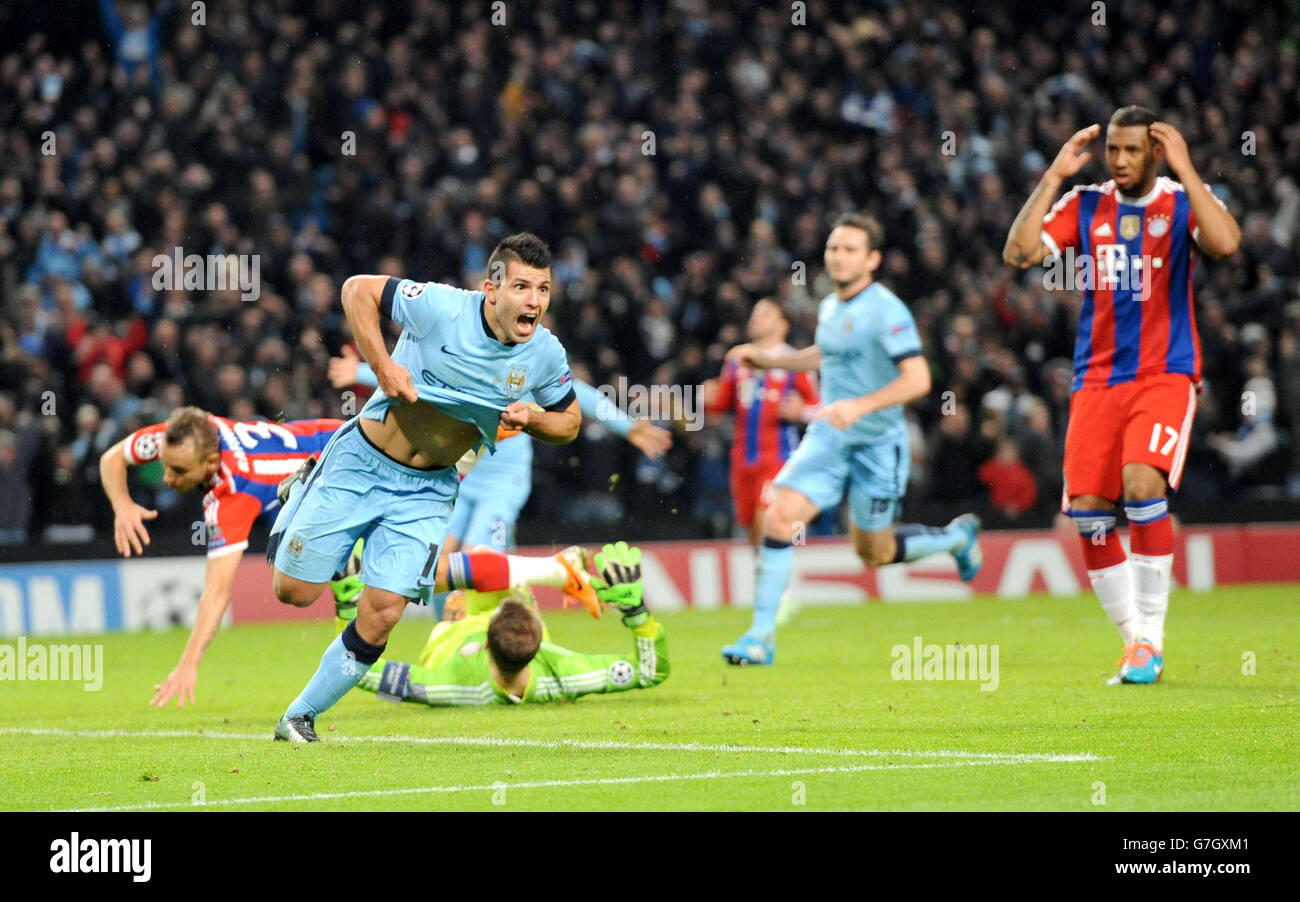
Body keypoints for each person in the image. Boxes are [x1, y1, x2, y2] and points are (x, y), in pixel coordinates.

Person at [270, 233, 585, 741]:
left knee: (383, 613)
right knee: (294, 592)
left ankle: (299, 716)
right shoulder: (439, 306)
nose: (534, 301)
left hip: (429, 489)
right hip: (362, 463)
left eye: (543, 289)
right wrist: (383, 366)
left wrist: (534, 418)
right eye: (522, 287)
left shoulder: (544, 353)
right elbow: (356, 290)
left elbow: (569, 423)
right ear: (491, 289)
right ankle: (297, 494)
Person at [1002, 105, 1241, 684]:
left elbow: (1227, 244)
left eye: (1133, 149)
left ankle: (1151, 638)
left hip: (1165, 373)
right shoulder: (1086, 205)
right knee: (1087, 513)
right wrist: (1054, 175)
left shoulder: (1183, 200)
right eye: (1114, 149)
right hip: (1096, 381)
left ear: (1156, 152)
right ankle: (1138, 645)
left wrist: (1186, 168)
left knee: (1141, 484)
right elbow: (1019, 253)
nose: (1121, 160)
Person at [719, 214, 982, 666]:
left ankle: (956, 539)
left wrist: (860, 406)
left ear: (873, 259)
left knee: (873, 554)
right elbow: (829, 353)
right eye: (834, 249)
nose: (838, 257)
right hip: (829, 438)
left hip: (878, 444)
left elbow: (918, 379)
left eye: (850, 250)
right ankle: (760, 637)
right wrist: (770, 362)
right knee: (779, 517)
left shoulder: (886, 310)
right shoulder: (829, 306)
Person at [98, 406, 343, 706]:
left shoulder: (233, 493)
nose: (168, 477)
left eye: (179, 471)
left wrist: (189, 663)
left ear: (212, 462)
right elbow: (112, 458)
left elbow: (217, 590)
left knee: (293, 589)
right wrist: (122, 504)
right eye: (166, 465)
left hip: (344, 461)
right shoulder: (187, 433)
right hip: (331, 432)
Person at [355, 542, 668, 707]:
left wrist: (349, 605)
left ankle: (557, 572)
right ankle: (558, 572)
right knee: (494, 565)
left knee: (479, 556)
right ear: (538, 647)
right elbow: (649, 671)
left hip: (454, 633)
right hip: (512, 636)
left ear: (489, 642)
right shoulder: (564, 675)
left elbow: (356, 667)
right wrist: (636, 612)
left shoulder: (453, 684)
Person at [702, 298, 820, 546]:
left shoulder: (795, 362)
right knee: (753, 538)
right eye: (755, 313)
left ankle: (779, 579)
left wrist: (800, 412)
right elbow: (719, 408)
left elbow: (820, 408)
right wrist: (705, 397)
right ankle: (771, 583)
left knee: (768, 525)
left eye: (765, 313)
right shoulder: (737, 358)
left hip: (777, 458)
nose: (755, 318)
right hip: (741, 460)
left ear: (783, 325)